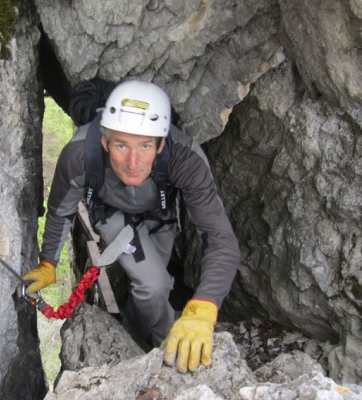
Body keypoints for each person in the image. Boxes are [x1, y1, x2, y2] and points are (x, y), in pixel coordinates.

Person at [22, 79, 240, 373]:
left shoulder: (184, 158)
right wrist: (49, 262)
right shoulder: (78, 155)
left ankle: (132, 332)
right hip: (112, 214)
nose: (133, 162)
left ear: (162, 143)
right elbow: (61, 211)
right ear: (105, 141)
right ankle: (164, 348)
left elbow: (219, 237)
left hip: (161, 215)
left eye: (145, 146)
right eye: (121, 145)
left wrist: (203, 307)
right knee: (154, 285)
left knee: (154, 287)